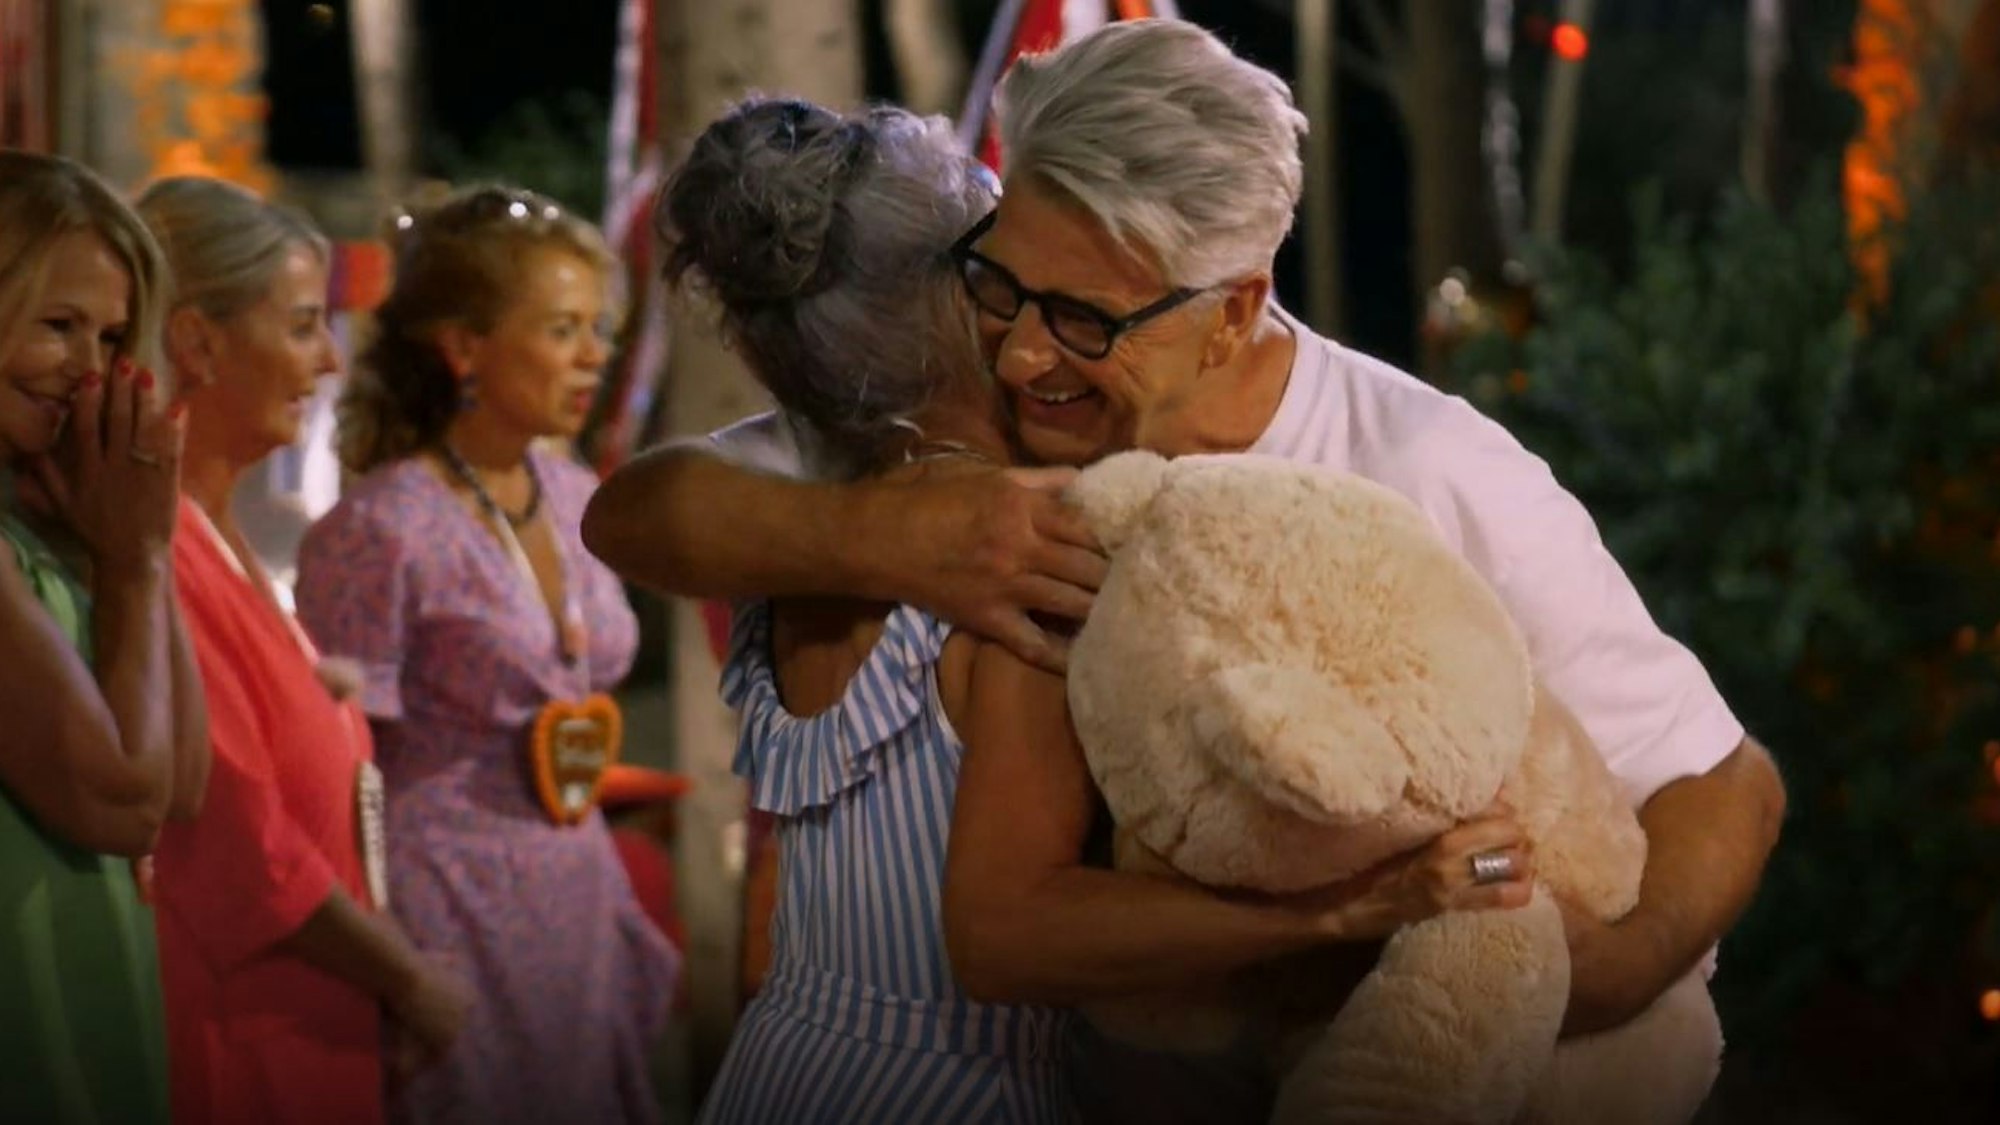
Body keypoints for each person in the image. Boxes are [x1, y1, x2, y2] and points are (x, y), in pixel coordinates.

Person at [583, 15, 1784, 1108]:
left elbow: (1725, 782)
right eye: (1000, 282)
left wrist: (1600, 975)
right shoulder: (979, 406)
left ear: (1232, 309)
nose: (1023, 356)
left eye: (1086, 320)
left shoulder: (1420, 463)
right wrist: (900, 536)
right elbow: (641, 513)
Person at [652, 95, 1535, 1125]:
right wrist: (1345, 909)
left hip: (777, 1068)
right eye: (1002, 274)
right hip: (962, 1092)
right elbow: (1007, 937)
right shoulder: (1024, 562)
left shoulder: (790, 535)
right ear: (953, 301)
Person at [295, 183, 677, 1125]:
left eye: (599, 329)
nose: (594, 355)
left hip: (577, 902)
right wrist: (392, 967)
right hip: (446, 914)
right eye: (562, 329)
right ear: (464, 347)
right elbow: (336, 776)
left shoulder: (576, 493)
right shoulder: (381, 528)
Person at [136, 175, 472, 1125]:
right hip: (241, 1039)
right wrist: (409, 980)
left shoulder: (211, 532)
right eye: (299, 326)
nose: (329, 359)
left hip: (304, 1024)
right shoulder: (160, 551)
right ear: (197, 343)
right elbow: (239, 844)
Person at [0, 150, 209, 1123]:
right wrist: (134, 561)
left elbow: (185, 780)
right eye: (58, 324)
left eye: (114, 336)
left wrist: (124, 548)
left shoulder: (42, 519)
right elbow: (123, 804)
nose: (90, 368)